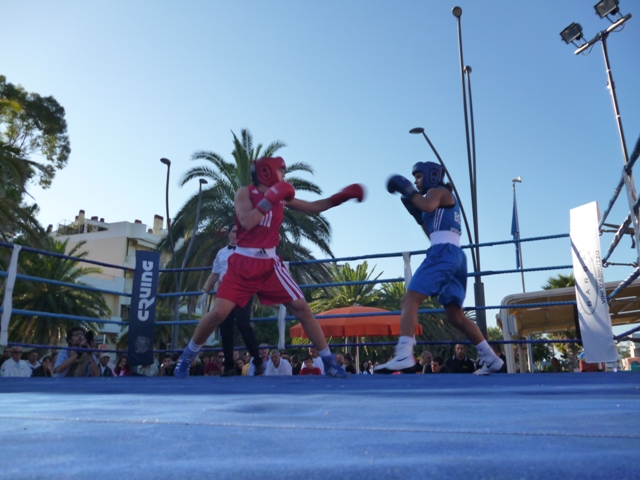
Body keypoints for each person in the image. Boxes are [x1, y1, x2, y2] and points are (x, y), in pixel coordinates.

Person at [174, 156, 365, 379]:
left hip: (270, 265)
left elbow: (314, 207)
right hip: (242, 263)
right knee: (218, 314)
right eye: (282, 171)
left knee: (302, 308)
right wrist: (269, 199)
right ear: (267, 172)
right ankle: (187, 358)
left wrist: (341, 197)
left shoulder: (281, 196)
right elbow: (246, 221)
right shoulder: (245, 193)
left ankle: (330, 362)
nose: (285, 176)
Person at [375, 162, 503, 375]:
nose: (415, 181)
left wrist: (407, 190)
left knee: (410, 299)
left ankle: (405, 354)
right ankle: (492, 359)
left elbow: (427, 206)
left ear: (431, 175)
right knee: (455, 315)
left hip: (443, 253)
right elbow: (432, 231)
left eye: (417, 177)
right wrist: (417, 217)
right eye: (413, 179)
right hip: (455, 255)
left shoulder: (438, 191)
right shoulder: (436, 198)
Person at [199, 222, 262, 377]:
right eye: (234, 231)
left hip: (243, 289)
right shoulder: (221, 253)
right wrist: (205, 293)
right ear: (228, 234)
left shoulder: (248, 250)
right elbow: (214, 274)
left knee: (243, 324)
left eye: (239, 231)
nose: (236, 234)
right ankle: (228, 366)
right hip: (225, 291)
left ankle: (258, 360)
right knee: (225, 328)